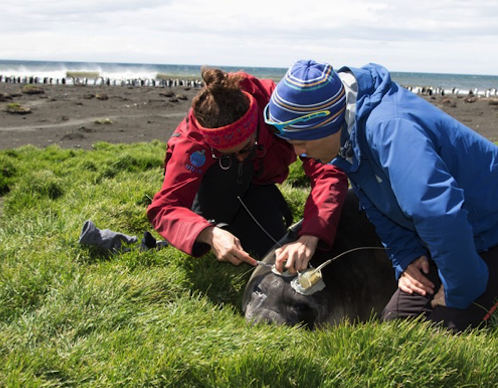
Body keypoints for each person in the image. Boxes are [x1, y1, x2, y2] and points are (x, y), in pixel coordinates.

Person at [263, 60, 498, 332]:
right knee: (399, 327)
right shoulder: (348, 136)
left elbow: (438, 213)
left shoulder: (391, 129)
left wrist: (458, 290)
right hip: (464, 237)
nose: (298, 152)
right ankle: (483, 282)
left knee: (446, 330)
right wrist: (406, 257)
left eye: (301, 141)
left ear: (326, 122)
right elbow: (377, 206)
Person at [147, 66, 348, 273]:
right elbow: (164, 207)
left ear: (258, 125)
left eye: (246, 149)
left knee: (272, 252)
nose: (241, 158)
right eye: (227, 155)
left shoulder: (280, 109)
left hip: (259, 186)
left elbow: (328, 169)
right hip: (216, 192)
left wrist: (311, 234)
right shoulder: (191, 141)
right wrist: (208, 233)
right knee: (216, 236)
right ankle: (210, 227)